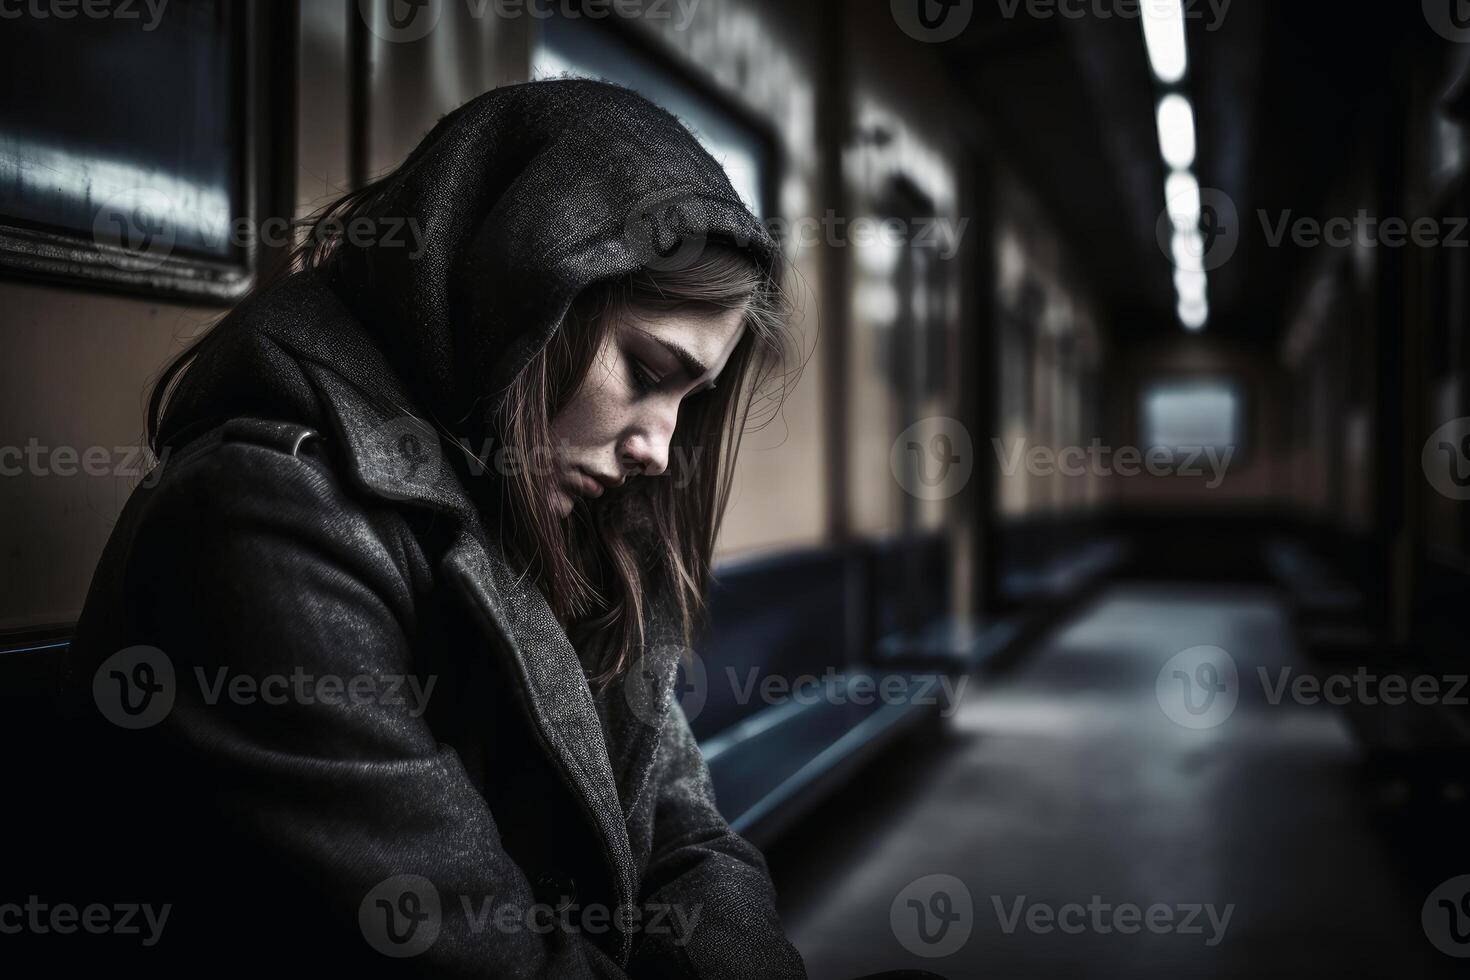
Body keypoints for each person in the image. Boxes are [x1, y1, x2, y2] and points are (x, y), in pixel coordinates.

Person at [37, 78, 809, 976]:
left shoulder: (556, 513)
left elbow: (684, 833)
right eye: (645, 370)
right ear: (525, 297)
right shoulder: (262, 519)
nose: (661, 450)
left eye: (691, 397)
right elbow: (473, 951)